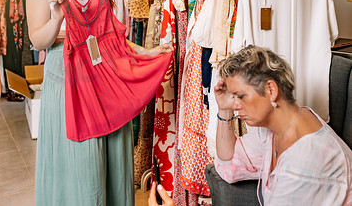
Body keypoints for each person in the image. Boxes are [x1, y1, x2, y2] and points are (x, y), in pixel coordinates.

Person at [26, 0, 173, 206]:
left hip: (104, 81)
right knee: (79, 162)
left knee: (113, 159)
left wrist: (147, 52)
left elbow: (111, 38)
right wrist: (57, 18)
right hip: (68, 82)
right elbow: (38, 41)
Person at [149, 45, 352, 206]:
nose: (236, 105)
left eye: (241, 96)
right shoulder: (281, 126)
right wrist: (224, 109)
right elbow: (228, 165)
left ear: (271, 90)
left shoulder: (304, 163)